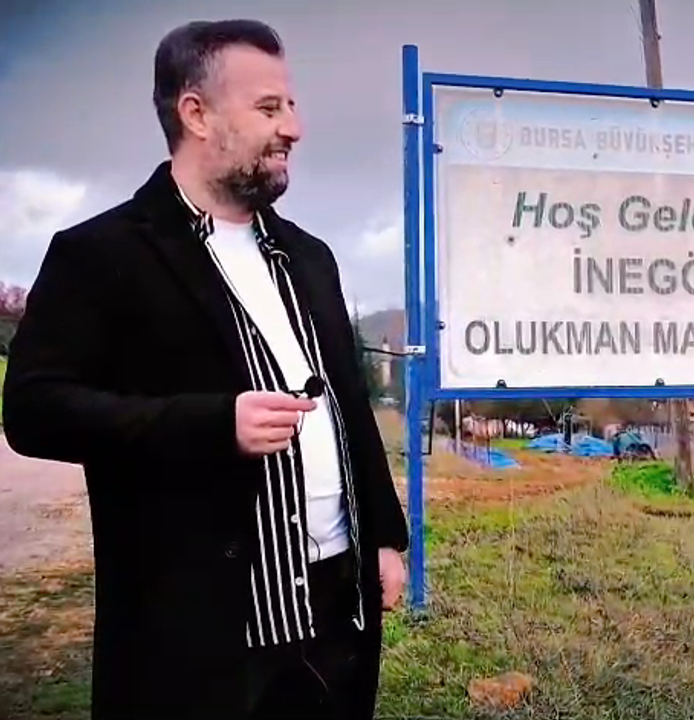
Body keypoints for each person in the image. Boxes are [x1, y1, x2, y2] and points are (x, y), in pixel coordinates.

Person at [1, 19, 409, 720]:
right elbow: (34, 410)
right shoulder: (100, 255)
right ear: (196, 114)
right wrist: (212, 424)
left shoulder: (310, 257)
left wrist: (383, 537)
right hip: (197, 631)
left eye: (292, 105)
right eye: (270, 107)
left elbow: (348, 410)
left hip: (335, 609)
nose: (295, 127)